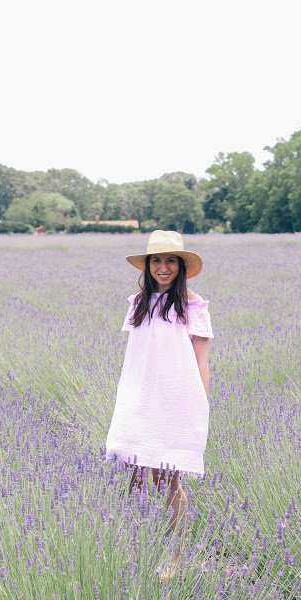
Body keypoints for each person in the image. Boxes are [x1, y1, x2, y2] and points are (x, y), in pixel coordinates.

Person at [105, 230, 214, 581]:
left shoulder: (192, 305)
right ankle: (135, 551)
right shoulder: (138, 303)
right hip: (138, 397)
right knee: (134, 478)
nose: (163, 268)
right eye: (156, 261)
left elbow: (201, 361)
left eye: (170, 261)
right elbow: (136, 356)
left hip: (175, 401)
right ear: (147, 265)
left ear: (181, 266)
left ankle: (176, 560)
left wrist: (199, 404)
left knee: (169, 480)